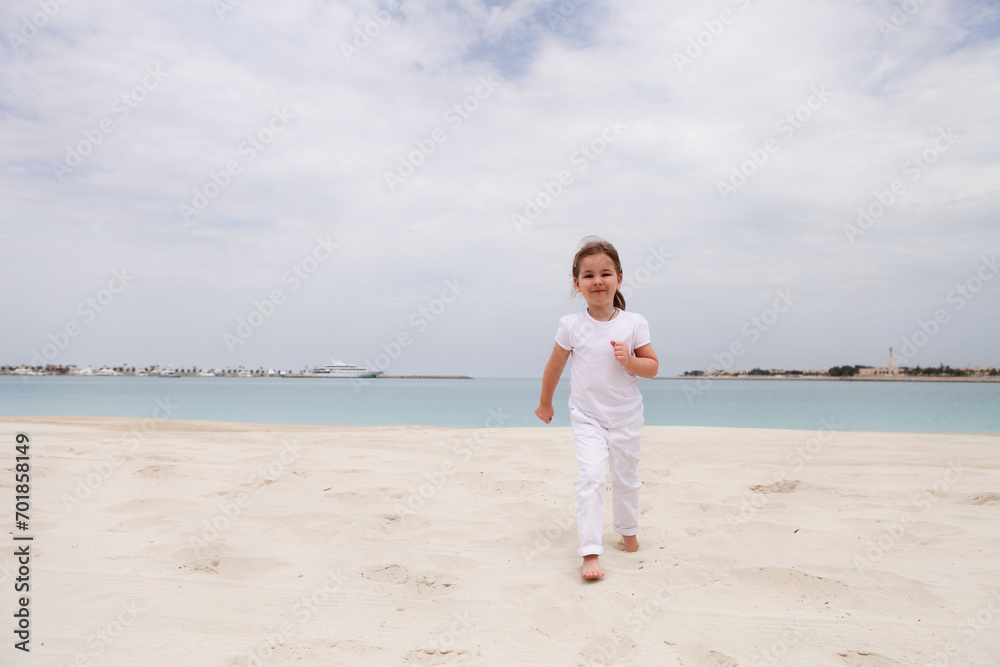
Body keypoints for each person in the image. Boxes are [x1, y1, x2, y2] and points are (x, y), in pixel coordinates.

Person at [535, 237, 659, 580]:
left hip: (627, 417)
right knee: (590, 478)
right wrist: (545, 402)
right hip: (587, 417)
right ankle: (590, 552)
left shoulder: (634, 323)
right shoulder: (570, 325)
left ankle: (628, 533)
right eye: (588, 276)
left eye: (605, 273)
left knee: (626, 479)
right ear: (578, 284)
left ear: (618, 277)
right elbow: (555, 367)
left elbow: (652, 367)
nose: (597, 281)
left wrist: (630, 360)